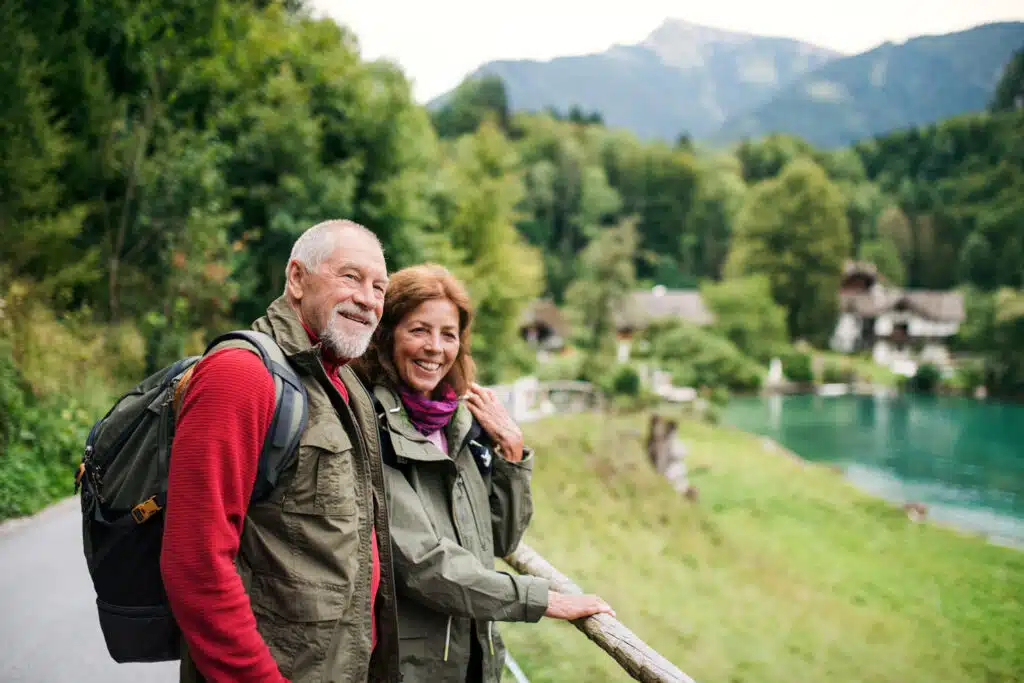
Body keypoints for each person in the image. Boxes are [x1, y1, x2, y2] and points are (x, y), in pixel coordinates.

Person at [160, 219, 400, 683]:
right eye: (350, 277)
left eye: (379, 287)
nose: (368, 299)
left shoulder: (344, 383)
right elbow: (195, 565)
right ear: (296, 278)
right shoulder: (239, 376)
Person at [353, 263, 614, 683]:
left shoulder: (460, 423)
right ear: (386, 336)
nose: (435, 347)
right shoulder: (370, 424)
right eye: (419, 330)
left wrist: (511, 453)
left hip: (475, 658)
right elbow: (423, 565)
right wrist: (544, 600)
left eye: (448, 334)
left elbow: (501, 539)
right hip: (408, 668)